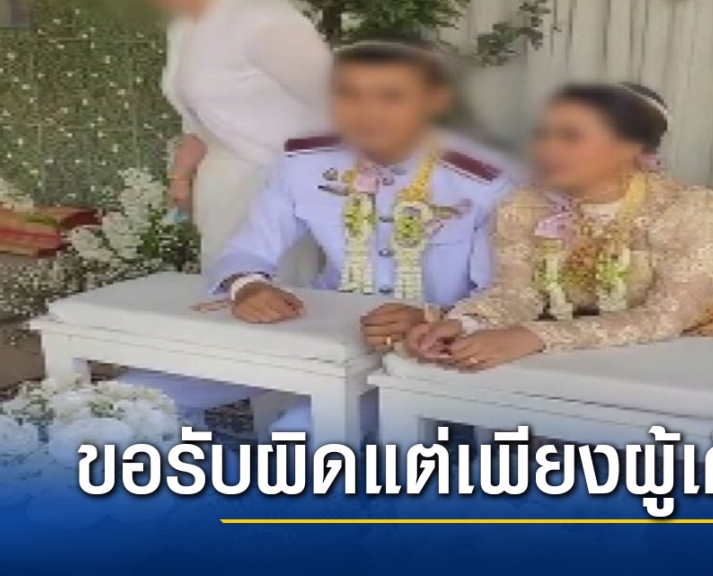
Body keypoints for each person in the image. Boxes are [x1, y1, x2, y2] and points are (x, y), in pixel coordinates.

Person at [133, 37, 516, 435]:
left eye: (391, 97)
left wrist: (433, 316)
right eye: (348, 95)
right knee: (132, 400)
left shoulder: (484, 180)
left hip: (430, 346)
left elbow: (508, 294)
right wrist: (248, 287)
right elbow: (247, 249)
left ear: (435, 100)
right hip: (327, 328)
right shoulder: (306, 163)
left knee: (295, 440)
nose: (367, 113)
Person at [406, 83, 713, 372]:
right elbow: (516, 293)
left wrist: (533, 336)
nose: (547, 149)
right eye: (543, 134)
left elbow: (664, 318)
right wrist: (463, 324)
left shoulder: (697, 212)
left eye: (571, 137)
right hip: (603, 355)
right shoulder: (525, 203)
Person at [157, 0, 328, 282]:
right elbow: (197, 120)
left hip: (276, 178)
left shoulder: (267, 19)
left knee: (280, 284)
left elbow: (333, 102)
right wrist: (180, 178)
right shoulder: (183, 26)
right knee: (225, 282)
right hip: (219, 181)